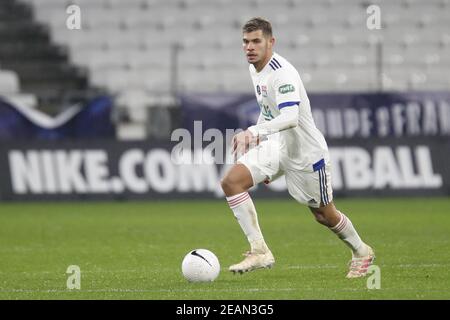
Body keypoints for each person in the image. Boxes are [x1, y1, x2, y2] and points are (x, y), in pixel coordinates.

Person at [221, 17, 375, 278]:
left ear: (271, 42)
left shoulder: (283, 74)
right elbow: (270, 111)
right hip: (278, 145)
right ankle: (259, 250)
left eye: (256, 41)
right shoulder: (255, 69)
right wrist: (259, 136)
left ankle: (362, 251)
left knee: (324, 215)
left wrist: (254, 132)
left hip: (306, 153)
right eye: (245, 42)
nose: (249, 47)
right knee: (231, 182)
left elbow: (290, 117)